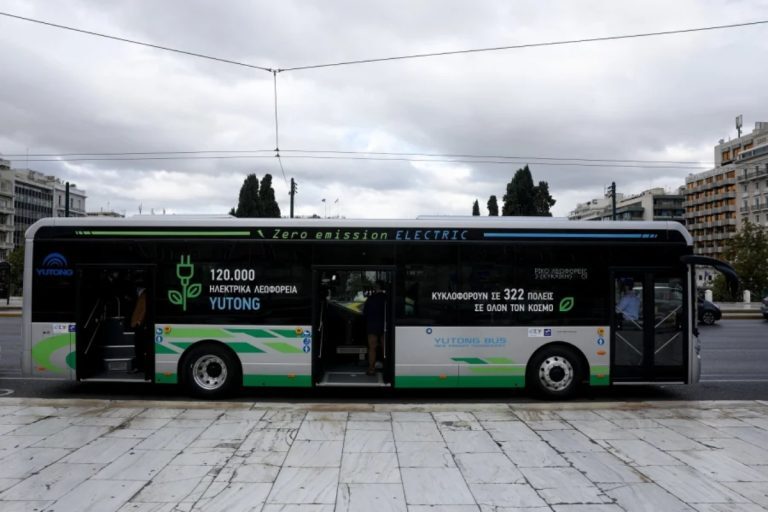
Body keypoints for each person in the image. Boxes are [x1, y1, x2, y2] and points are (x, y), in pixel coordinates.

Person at [363, 280, 387, 375]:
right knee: (385, 348)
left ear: (376, 287)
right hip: (384, 326)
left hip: (372, 326)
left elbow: (365, 313)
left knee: (372, 348)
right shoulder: (386, 298)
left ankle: (371, 369)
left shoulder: (370, 299)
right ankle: (387, 368)